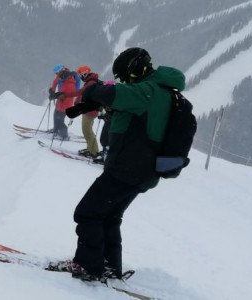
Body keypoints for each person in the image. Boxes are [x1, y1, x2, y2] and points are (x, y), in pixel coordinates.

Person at [53, 47, 185, 281]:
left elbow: (113, 94)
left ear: (134, 70)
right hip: (144, 171)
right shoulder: (164, 92)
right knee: (109, 217)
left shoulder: (147, 91)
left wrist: (95, 89)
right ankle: (110, 266)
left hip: (127, 170)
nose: (124, 81)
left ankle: (87, 266)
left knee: (87, 213)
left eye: (125, 77)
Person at [74, 65, 103, 159]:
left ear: (84, 73)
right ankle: (90, 149)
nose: (80, 77)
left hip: (90, 111)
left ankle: (94, 152)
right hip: (89, 110)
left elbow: (84, 94)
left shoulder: (90, 83)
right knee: (86, 130)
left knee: (87, 131)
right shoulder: (90, 81)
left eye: (80, 75)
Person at [48, 64, 81, 140]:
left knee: (60, 118)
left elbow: (69, 93)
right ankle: (56, 130)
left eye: (57, 73)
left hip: (66, 102)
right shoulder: (62, 75)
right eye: (55, 74)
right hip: (61, 100)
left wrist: (55, 95)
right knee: (56, 115)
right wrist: (52, 92)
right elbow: (55, 82)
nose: (57, 75)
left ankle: (64, 135)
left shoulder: (69, 81)